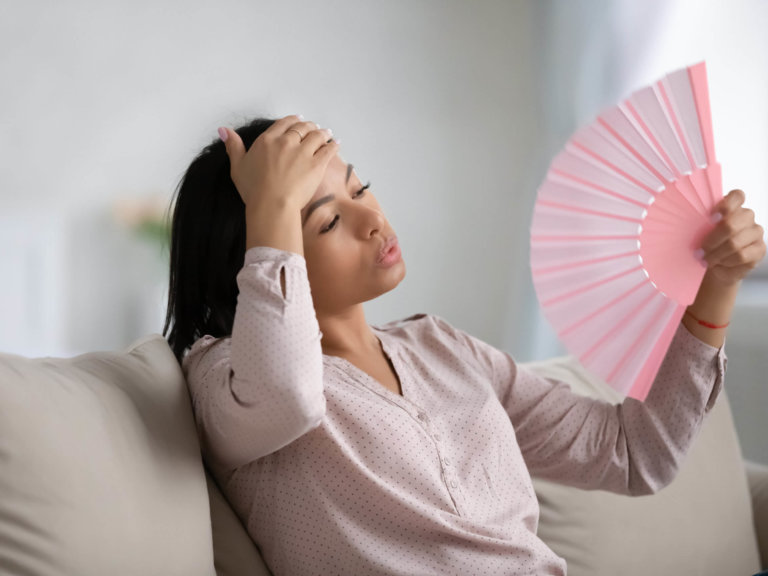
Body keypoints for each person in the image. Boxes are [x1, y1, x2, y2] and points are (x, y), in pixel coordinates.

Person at [163, 114, 766, 575]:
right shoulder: (228, 380)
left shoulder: (439, 348)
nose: (372, 219)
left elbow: (635, 454)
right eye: (325, 221)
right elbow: (287, 394)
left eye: (360, 188)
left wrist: (717, 286)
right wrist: (270, 203)